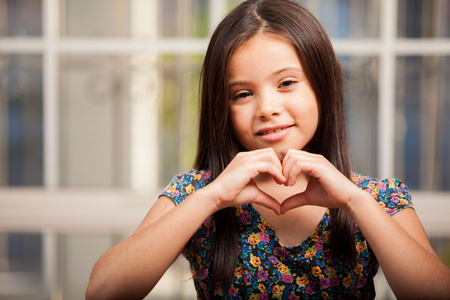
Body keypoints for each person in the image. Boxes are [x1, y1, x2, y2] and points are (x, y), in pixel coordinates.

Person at [86, 0, 450, 299]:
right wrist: (210, 198)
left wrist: (356, 202)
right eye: (242, 94)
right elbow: (102, 292)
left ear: (322, 87)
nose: (267, 108)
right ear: (221, 108)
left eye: (287, 83)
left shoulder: (377, 198)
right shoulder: (197, 193)